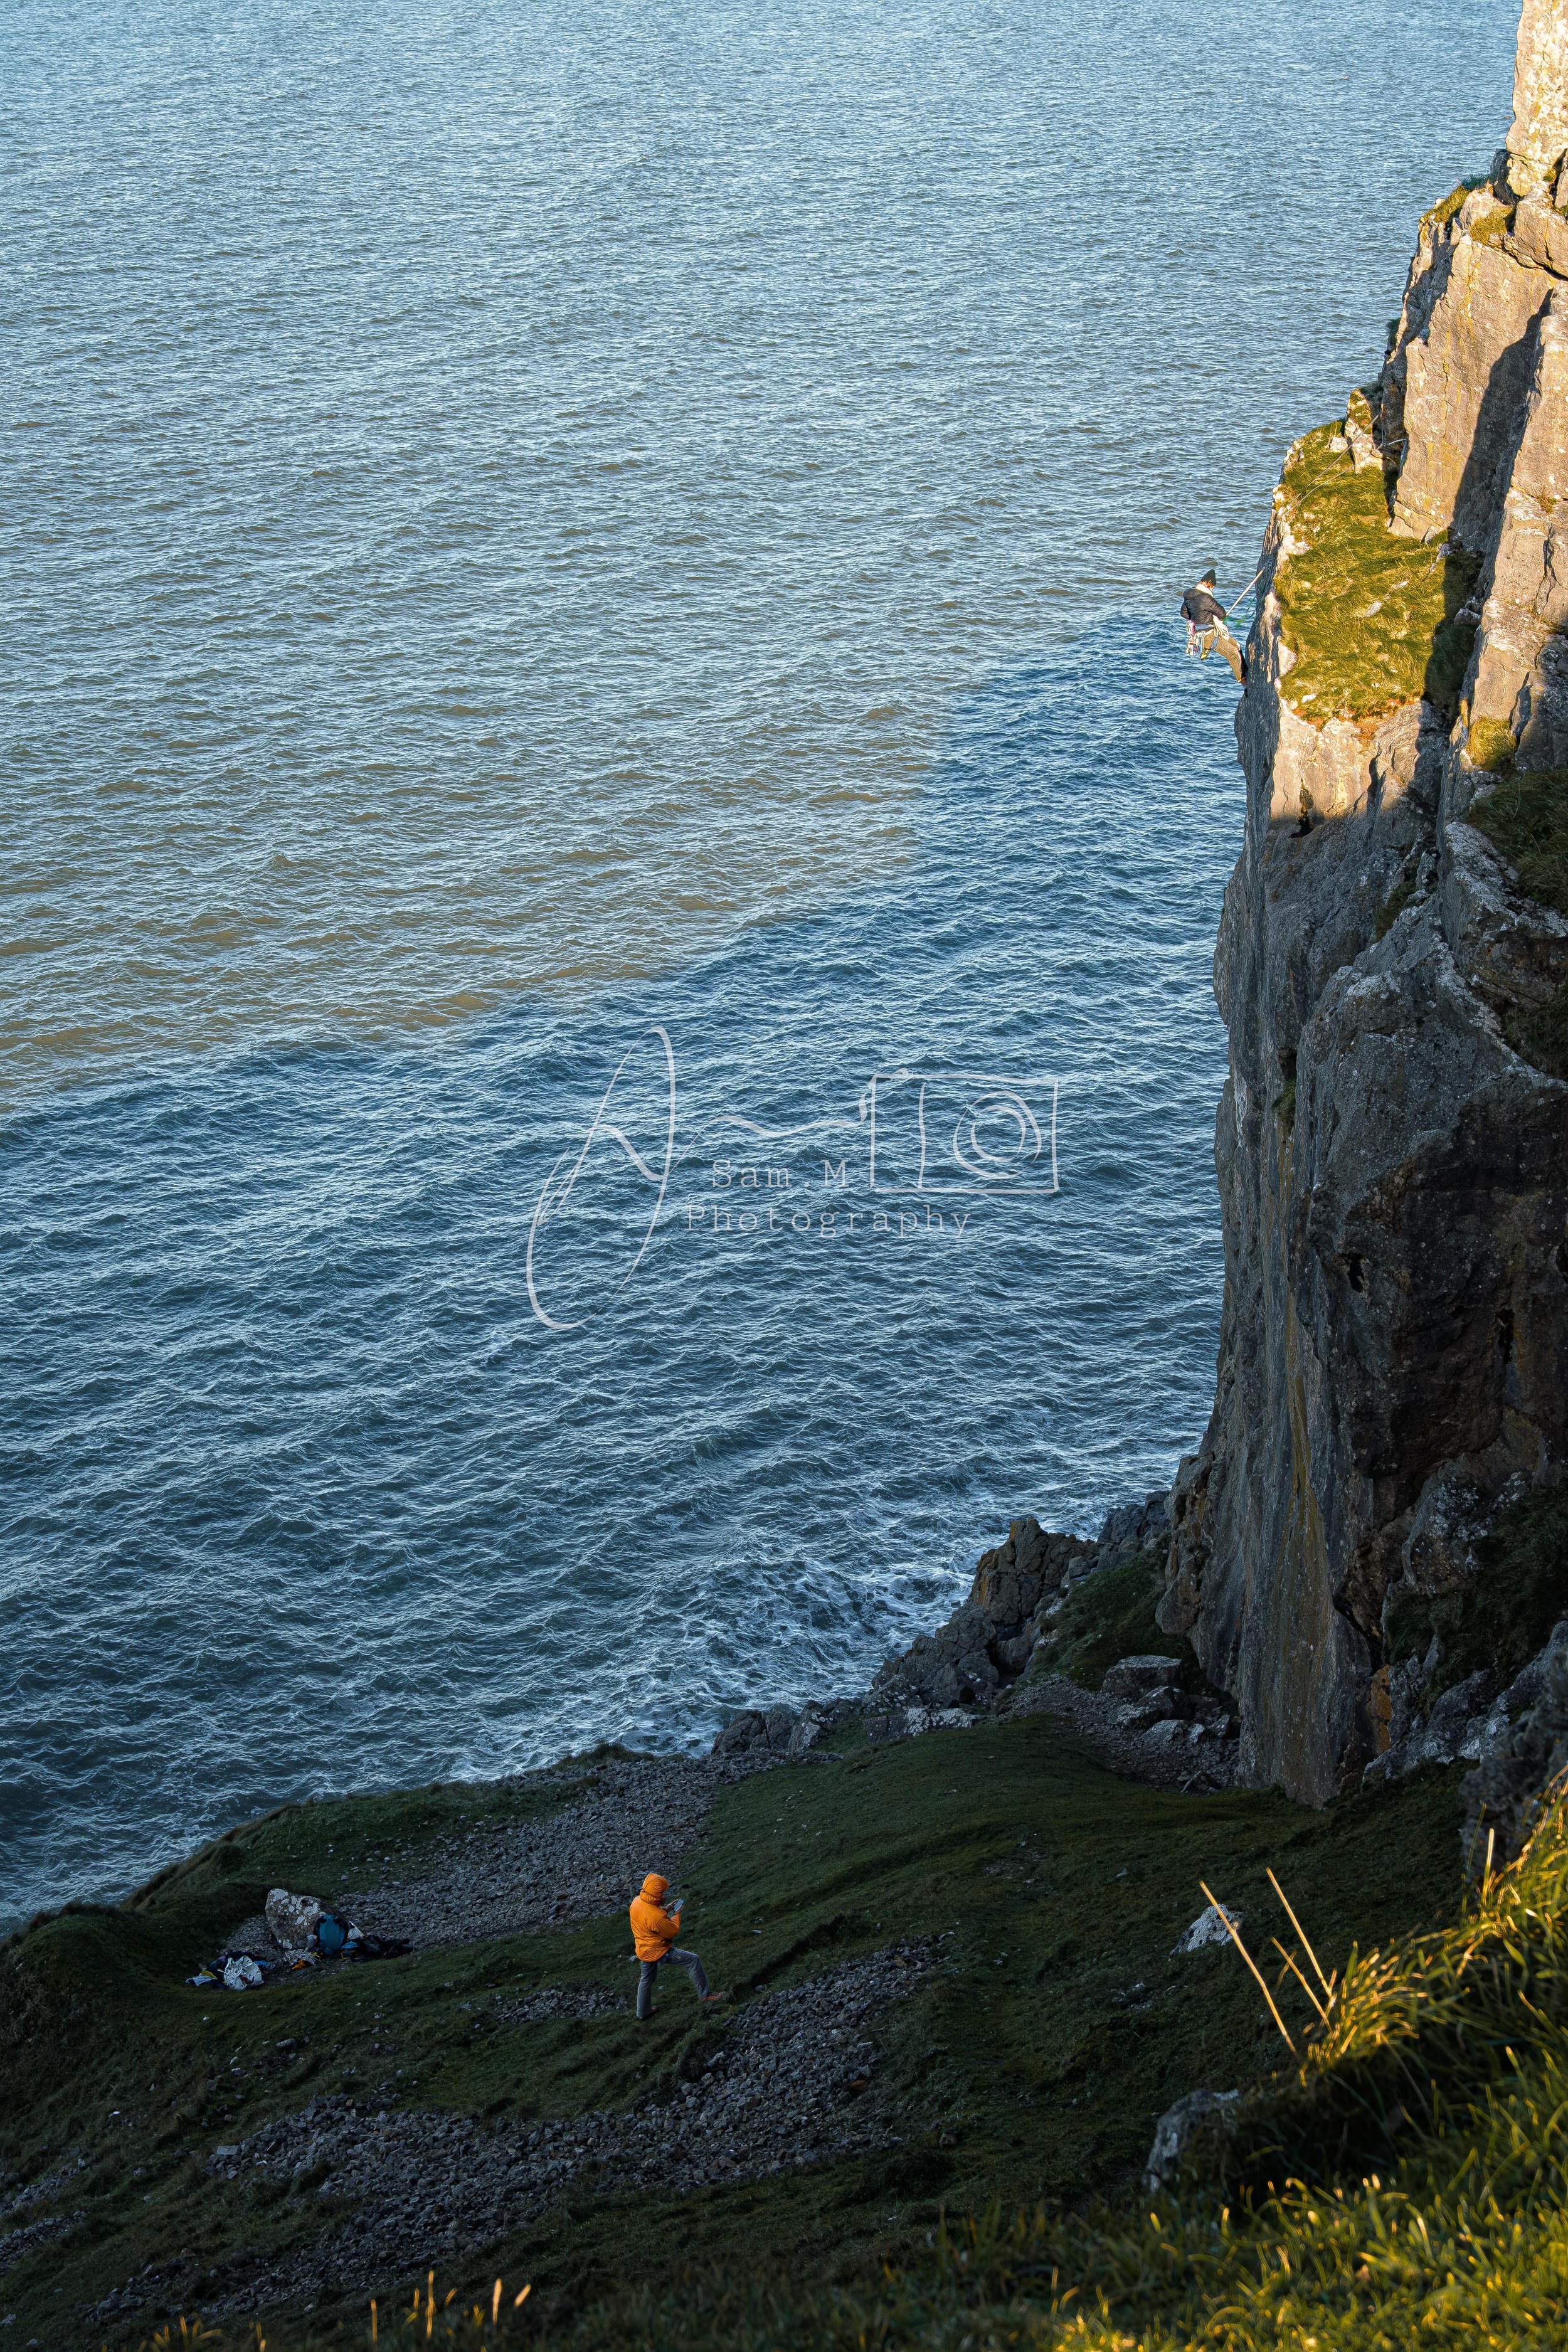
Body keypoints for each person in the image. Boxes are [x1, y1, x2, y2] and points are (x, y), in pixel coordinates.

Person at [630, 1871, 718, 2020]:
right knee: (693, 1960)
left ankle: (642, 2012)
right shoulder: (656, 1917)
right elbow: (671, 1931)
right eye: (663, 1892)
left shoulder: (637, 1901)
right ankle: (706, 1995)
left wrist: (667, 1909)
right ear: (656, 1893)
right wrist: (676, 1915)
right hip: (658, 1950)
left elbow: (649, 1914)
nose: (665, 1894)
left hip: (643, 1949)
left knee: (646, 1979)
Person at [1182, 570, 1246, 684]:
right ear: (1209, 584)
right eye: (1213, 587)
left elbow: (1184, 614)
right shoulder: (1206, 598)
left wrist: (1198, 617)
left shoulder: (1189, 596)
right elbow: (1222, 613)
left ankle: (1246, 670)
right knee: (1233, 654)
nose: (1212, 590)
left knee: (1237, 645)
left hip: (1199, 634)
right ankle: (1245, 684)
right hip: (1209, 635)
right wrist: (1209, 616)